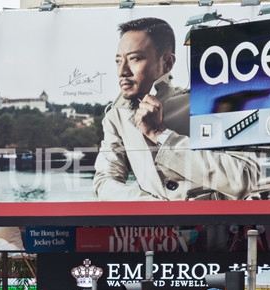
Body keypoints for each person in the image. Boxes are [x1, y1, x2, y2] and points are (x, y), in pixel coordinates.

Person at [94, 16, 260, 201]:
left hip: (218, 224)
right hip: (158, 227)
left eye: (134, 59)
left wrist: (161, 134)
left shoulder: (208, 103)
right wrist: (158, 210)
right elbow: (105, 183)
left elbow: (243, 180)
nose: (122, 71)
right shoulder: (116, 117)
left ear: (167, 63)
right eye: (118, 61)